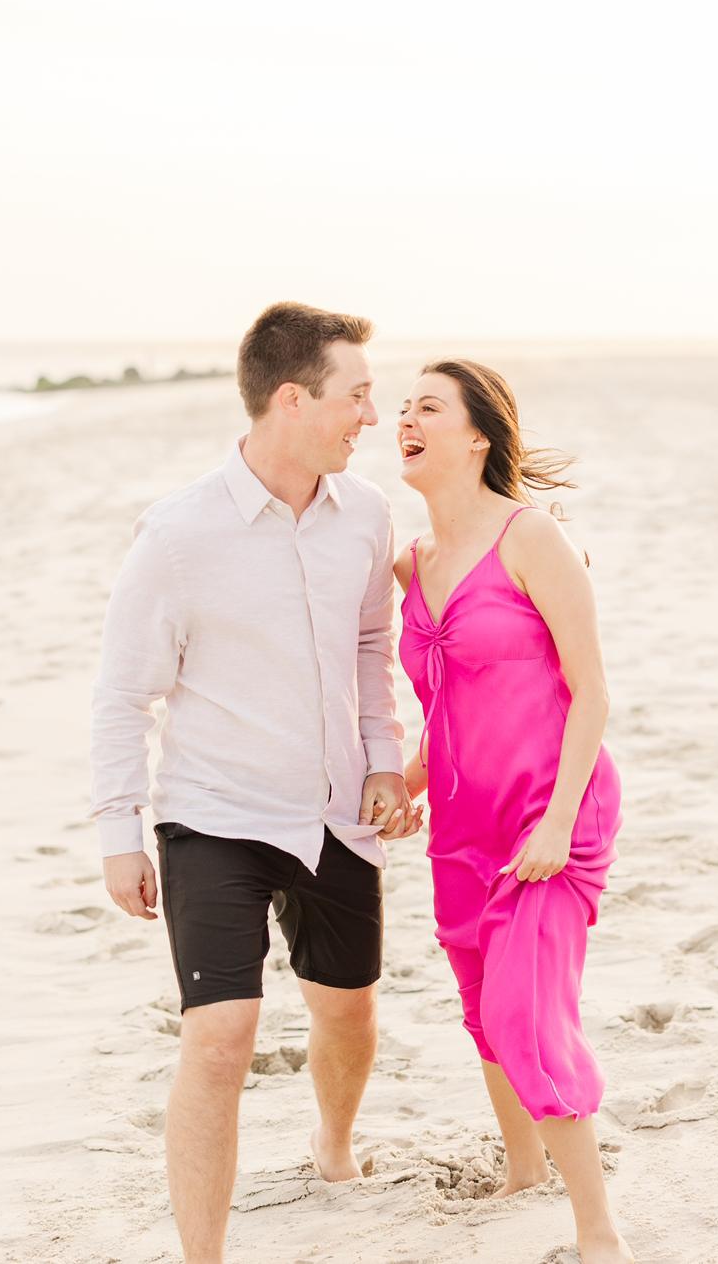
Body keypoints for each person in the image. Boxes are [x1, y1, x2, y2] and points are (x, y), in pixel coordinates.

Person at [90, 301, 421, 1264]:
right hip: (214, 815)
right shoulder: (179, 535)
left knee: (347, 1008)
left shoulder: (362, 514)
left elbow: (371, 644)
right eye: (357, 395)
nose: (372, 414)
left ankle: (334, 1142)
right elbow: (124, 696)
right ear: (291, 399)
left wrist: (385, 758)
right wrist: (119, 830)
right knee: (222, 1037)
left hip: (335, 813)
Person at [394, 358, 633, 1264]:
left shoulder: (531, 538)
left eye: (429, 408)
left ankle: (599, 1233)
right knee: (482, 1007)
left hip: (549, 809)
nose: (406, 420)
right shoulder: (411, 562)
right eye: (401, 408)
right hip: (463, 824)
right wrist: (405, 785)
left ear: (478, 437)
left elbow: (592, 693)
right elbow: (450, 707)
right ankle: (522, 1172)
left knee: (528, 1013)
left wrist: (556, 823)